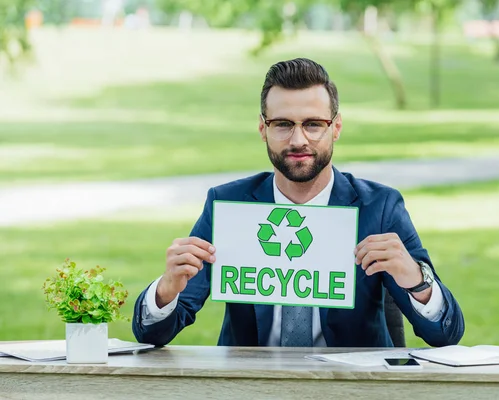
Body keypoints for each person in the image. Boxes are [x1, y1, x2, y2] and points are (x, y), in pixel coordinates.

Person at [132, 58, 465, 348]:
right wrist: (166, 290)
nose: (298, 140)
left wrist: (416, 280)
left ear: (336, 127)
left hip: (350, 390)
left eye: (313, 125)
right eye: (283, 125)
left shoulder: (380, 208)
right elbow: (151, 334)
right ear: (263, 128)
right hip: (252, 387)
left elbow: (445, 334)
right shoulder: (228, 204)